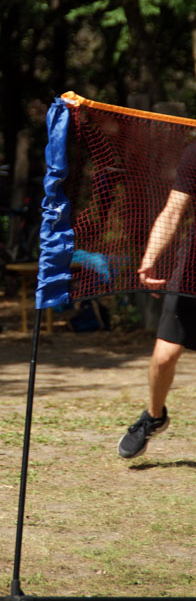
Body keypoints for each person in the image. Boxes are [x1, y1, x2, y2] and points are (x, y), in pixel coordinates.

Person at [117, 143, 196, 458]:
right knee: (164, 357)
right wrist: (150, 258)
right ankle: (154, 416)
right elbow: (173, 210)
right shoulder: (194, 153)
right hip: (193, 269)